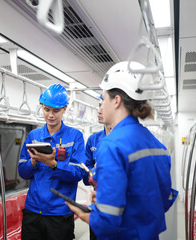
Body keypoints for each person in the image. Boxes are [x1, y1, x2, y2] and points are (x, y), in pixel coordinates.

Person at [66, 62, 178, 240]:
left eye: (104, 99)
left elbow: (106, 223)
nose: (101, 105)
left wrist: (81, 213)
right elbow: (163, 200)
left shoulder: (112, 145)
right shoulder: (158, 146)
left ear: (116, 100)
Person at [18, 84, 86, 240]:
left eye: (56, 111)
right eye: (46, 109)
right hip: (33, 211)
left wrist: (53, 164)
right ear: (42, 107)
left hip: (60, 214)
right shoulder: (33, 136)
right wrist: (34, 161)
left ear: (65, 109)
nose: (50, 115)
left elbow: (78, 173)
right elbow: (22, 171)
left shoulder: (75, 136)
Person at [83, 94, 112, 240]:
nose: (99, 110)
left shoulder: (130, 139)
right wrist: (93, 173)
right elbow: (85, 177)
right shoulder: (93, 140)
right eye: (98, 106)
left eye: (102, 105)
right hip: (97, 206)